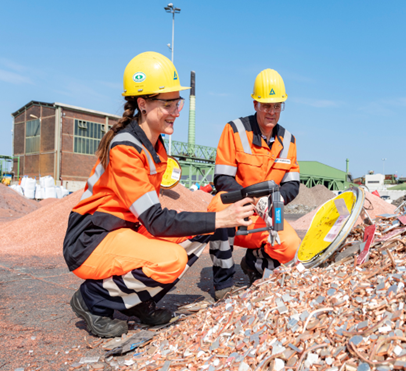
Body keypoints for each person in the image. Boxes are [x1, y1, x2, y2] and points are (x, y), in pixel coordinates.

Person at [63, 52, 255, 338]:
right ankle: (93, 298)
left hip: (124, 230)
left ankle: (136, 302)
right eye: (168, 104)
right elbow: (155, 220)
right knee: (172, 259)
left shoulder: (155, 146)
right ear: (143, 104)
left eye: (177, 103)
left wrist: (215, 219)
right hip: (92, 239)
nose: (176, 111)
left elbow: (151, 214)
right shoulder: (125, 148)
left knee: (201, 229)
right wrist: (219, 218)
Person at [209, 68, 301, 300]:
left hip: (266, 213)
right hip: (236, 211)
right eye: (266, 105)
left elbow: (293, 183)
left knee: (291, 246)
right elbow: (222, 178)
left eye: (277, 106)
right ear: (255, 104)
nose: (272, 111)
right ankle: (223, 283)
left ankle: (254, 262)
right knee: (217, 208)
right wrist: (250, 199)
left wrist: (272, 201)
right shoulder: (234, 131)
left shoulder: (289, 141)